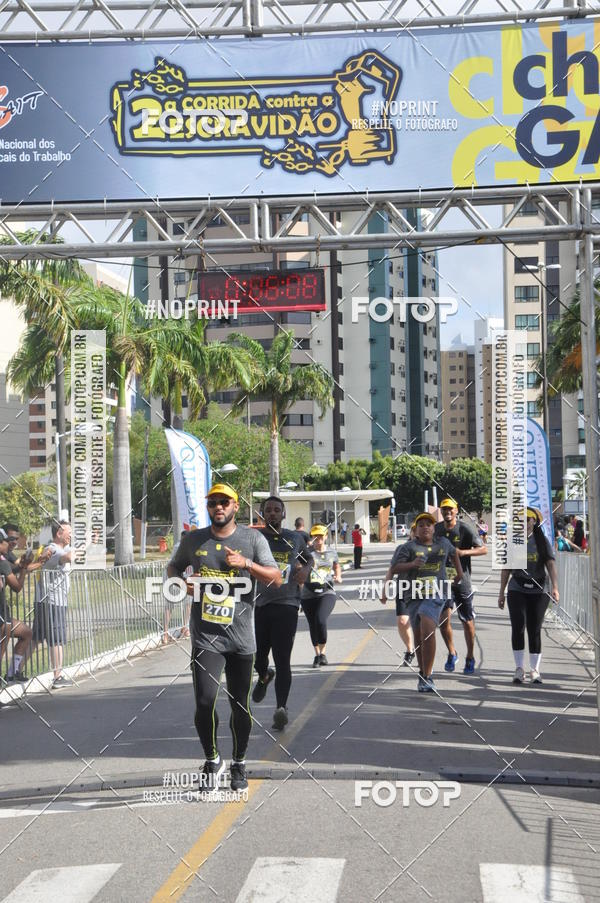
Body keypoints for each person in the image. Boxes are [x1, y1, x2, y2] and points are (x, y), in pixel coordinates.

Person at [168, 484, 281, 792]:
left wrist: (246, 564)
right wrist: (181, 582)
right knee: (204, 702)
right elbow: (173, 567)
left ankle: (239, 763)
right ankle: (212, 759)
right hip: (206, 637)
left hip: (242, 638)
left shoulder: (252, 539)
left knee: (239, 705)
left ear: (235, 506)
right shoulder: (194, 540)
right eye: (213, 502)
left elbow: (276, 577)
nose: (218, 507)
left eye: (224, 502)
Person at [252, 497, 312, 730]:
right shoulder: (255, 538)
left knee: (282, 658)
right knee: (258, 657)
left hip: (287, 603)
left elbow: (309, 559)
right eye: (269, 510)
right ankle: (265, 675)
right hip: (260, 604)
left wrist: (305, 570)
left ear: (284, 514)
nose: (273, 514)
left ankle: (281, 708)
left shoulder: (294, 538)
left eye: (277, 510)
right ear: (262, 514)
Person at [386, 513, 463, 693]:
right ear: (416, 530)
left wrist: (459, 575)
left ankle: (427, 676)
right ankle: (423, 675)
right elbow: (395, 567)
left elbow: (454, 554)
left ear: (434, 528)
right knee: (420, 636)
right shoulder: (408, 547)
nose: (425, 527)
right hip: (413, 596)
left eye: (429, 524)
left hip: (436, 593)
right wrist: (412, 564)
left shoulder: (442, 544)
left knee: (427, 628)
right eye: (421, 525)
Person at [498, 508, 559, 684]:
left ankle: (535, 670)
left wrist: (555, 587)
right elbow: (506, 570)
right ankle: (519, 668)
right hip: (517, 587)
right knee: (518, 626)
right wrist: (501, 592)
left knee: (534, 629)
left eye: (527, 520)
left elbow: (551, 565)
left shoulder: (542, 541)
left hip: (539, 590)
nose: (523, 523)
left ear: (534, 522)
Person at [434, 498, 488, 675]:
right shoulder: (438, 529)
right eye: (444, 509)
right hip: (443, 582)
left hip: (462, 582)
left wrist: (464, 552)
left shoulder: (464, 528)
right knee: (443, 621)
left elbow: (483, 549)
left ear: (456, 511)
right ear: (441, 511)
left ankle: (470, 657)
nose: (447, 512)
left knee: (467, 622)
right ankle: (452, 652)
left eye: (450, 509)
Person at [31, 521, 73, 689]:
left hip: (48, 601)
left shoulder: (59, 548)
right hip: (53, 602)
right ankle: (57, 676)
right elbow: (67, 558)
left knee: (35, 638)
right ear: (59, 534)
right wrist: (78, 547)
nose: (71, 535)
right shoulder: (54, 550)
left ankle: (14, 670)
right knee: (57, 639)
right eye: (69, 532)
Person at [301, 524, 341, 667]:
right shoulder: (307, 554)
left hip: (327, 591)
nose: (318, 539)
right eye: (315, 536)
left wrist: (338, 576)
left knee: (320, 619)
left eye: (321, 536)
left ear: (326, 536)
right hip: (308, 594)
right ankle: (318, 655)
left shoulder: (332, 552)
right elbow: (299, 569)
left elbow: (336, 565)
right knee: (312, 624)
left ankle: (323, 652)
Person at [1, 524, 36, 684]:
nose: (12, 543)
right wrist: (23, 568)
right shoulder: (3, 562)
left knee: (26, 633)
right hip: (2, 617)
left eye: (15, 539)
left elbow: (20, 566)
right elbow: (17, 586)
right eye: (9, 540)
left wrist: (37, 562)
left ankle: (12, 672)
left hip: (4, 614)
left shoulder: (6, 559)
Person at [383, 541, 416, 667]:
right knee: (403, 621)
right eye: (417, 528)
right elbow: (391, 570)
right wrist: (385, 590)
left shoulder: (433, 547)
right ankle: (410, 650)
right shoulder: (402, 549)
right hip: (404, 589)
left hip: (425, 591)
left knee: (423, 625)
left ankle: (424, 653)